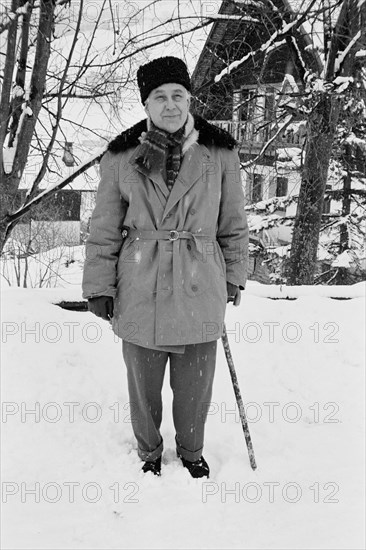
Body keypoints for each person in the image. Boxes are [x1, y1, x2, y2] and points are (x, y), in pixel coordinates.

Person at [82, 56, 249, 478]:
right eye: (160, 97)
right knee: (143, 381)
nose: (170, 105)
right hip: (141, 279)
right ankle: (149, 451)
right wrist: (100, 285)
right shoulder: (122, 156)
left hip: (200, 278)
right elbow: (103, 227)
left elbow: (233, 224)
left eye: (178, 95)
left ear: (189, 98)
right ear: (146, 105)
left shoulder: (220, 152)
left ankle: (192, 451)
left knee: (195, 382)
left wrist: (233, 276)